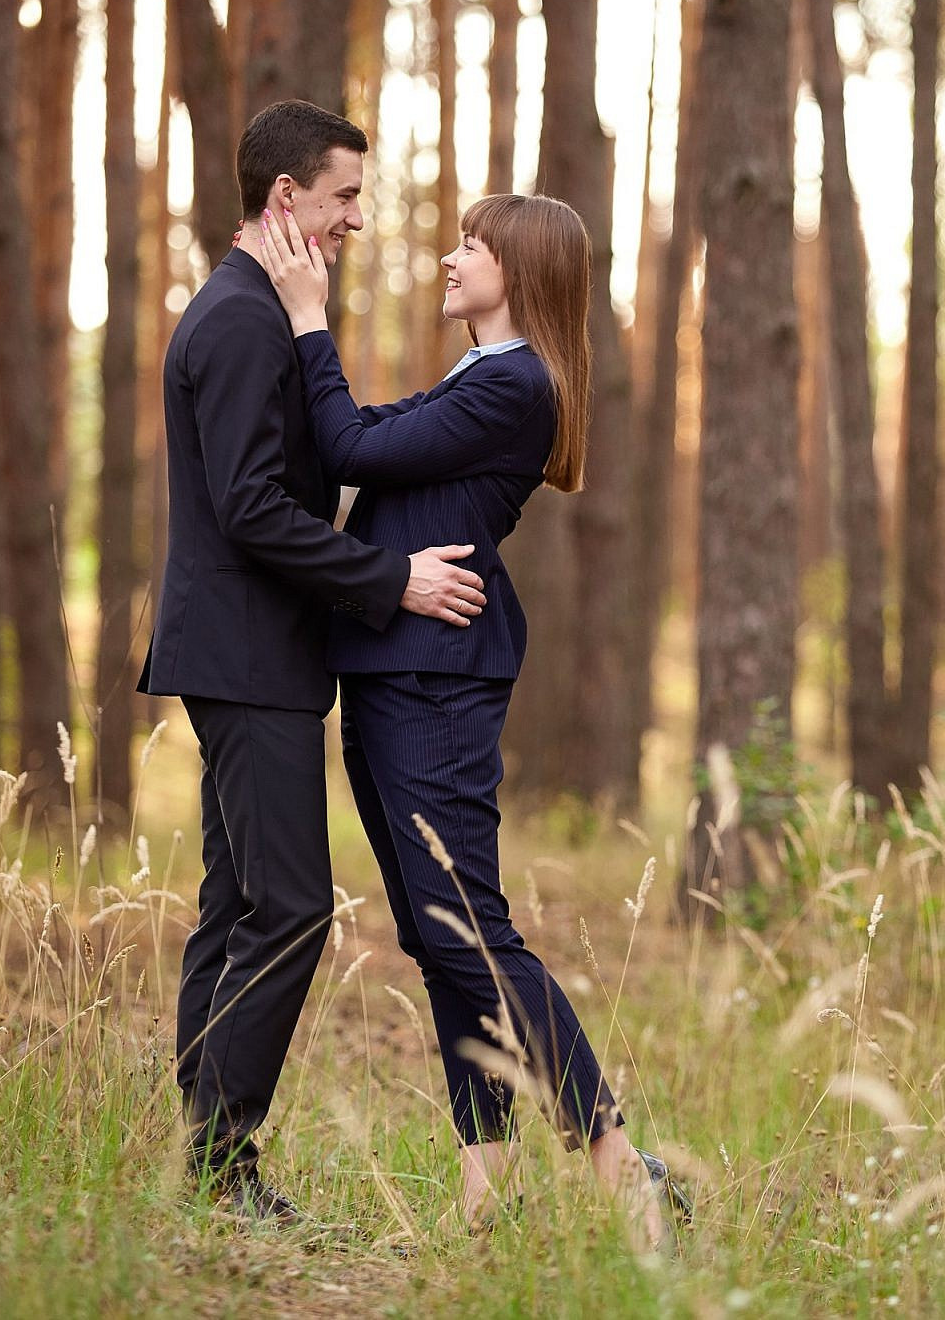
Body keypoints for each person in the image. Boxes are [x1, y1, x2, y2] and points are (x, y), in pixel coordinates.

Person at [255, 195, 689, 1248]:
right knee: (443, 941)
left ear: (523, 270)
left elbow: (352, 443)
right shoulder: (479, 376)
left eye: (472, 248)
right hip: (398, 667)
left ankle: (623, 1168)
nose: (449, 259)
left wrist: (308, 318)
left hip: (434, 681)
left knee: (472, 935)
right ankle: (484, 1198)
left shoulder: (513, 385)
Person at [139, 99, 491, 1224]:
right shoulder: (242, 320)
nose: (356, 215)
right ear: (284, 197)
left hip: (252, 647)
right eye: (342, 195)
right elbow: (248, 506)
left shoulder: (252, 306)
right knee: (289, 905)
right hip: (247, 650)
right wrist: (387, 579)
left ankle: (198, 1155)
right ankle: (219, 1164)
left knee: (236, 895)